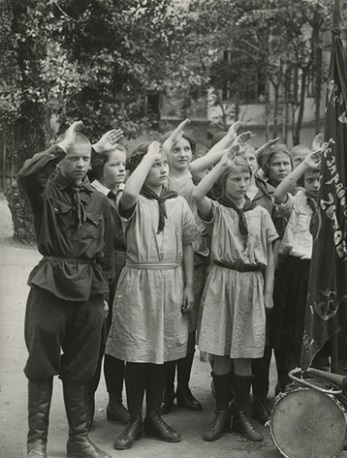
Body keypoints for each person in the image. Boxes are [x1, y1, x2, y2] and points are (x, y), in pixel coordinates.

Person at [19, 121, 114, 458]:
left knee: (82, 367)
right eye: (73, 158)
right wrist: (61, 144)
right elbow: (27, 174)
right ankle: (37, 444)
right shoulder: (44, 192)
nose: (81, 165)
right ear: (60, 159)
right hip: (51, 286)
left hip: (89, 291)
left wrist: (102, 298)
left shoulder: (99, 202)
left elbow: (106, 252)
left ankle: (78, 440)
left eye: (86, 159)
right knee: (42, 363)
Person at [105, 142, 199, 450]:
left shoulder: (178, 203)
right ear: (141, 169)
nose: (162, 168)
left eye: (163, 164)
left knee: (161, 354)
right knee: (138, 350)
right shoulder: (131, 200)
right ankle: (134, 418)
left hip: (171, 281)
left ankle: (155, 415)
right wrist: (147, 156)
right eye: (155, 164)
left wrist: (187, 286)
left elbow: (188, 243)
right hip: (140, 281)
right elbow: (130, 193)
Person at [193, 151, 278, 442]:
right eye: (235, 179)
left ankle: (241, 413)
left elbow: (271, 253)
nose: (242, 184)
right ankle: (221, 413)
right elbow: (196, 192)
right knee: (221, 352)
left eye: (246, 178)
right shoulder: (216, 210)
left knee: (245, 353)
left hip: (251, 283)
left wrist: (268, 290)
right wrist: (221, 166)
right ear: (224, 181)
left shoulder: (261, 213)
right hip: (222, 281)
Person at [160, 119, 206, 413]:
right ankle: (165, 391)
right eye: (176, 149)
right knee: (169, 325)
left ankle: (184, 387)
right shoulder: (162, 179)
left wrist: (229, 138)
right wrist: (171, 136)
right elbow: (162, 151)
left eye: (187, 148)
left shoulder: (196, 178)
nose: (181, 153)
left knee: (188, 325)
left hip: (196, 257)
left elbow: (216, 161)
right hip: (166, 258)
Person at [270, 146, 324, 390]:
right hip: (295, 269)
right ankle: (287, 383)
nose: (316, 184)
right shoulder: (295, 201)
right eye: (311, 179)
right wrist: (304, 164)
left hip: (321, 271)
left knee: (316, 330)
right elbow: (279, 193)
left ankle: (316, 384)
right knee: (290, 331)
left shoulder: (334, 204)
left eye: (320, 179)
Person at [86, 129, 130, 429]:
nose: (122, 169)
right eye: (115, 164)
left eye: (124, 164)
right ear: (98, 166)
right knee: (92, 342)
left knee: (118, 341)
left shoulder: (128, 195)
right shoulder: (87, 193)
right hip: (97, 275)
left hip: (125, 275)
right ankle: (85, 407)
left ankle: (116, 402)